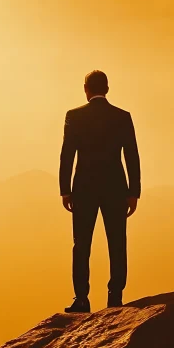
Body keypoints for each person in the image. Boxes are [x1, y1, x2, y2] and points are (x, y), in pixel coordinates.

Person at [59, 70, 141, 312]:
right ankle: (115, 296)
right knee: (117, 242)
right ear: (107, 88)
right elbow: (132, 156)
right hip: (116, 187)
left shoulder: (74, 116)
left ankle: (81, 298)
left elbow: (67, 155)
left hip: (83, 188)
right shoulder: (122, 117)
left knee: (81, 244)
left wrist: (65, 189)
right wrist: (133, 191)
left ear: (86, 89)